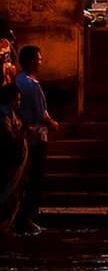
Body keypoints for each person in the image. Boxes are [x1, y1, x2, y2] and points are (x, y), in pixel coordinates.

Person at [14, 46, 58, 234]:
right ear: (32, 61)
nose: (41, 61)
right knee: (35, 178)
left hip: (23, 133)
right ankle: (26, 217)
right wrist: (54, 124)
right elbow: (41, 114)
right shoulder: (32, 85)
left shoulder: (18, 81)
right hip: (35, 135)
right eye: (39, 58)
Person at [0, 84, 25, 234]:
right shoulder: (3, 119)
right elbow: (9, 141)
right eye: (18, 100)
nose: (19, 103)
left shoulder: (11, 116)